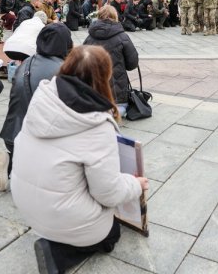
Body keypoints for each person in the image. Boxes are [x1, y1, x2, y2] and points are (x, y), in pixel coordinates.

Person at [10, 45, 148, 273]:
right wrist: (136, 185)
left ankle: (58, 236)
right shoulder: (96, 123)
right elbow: (108, 193)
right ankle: (58, 253)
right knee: (110, 235)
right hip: (59, 215)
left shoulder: (43, 96)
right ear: (104, 78)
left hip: (25, 204)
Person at [0, 23, 73, 191]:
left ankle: (12, 161)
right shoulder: (63, 69)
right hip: (36, 139)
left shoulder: (26, 62)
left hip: (11, 134)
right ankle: (19, 166)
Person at [83, 6, 138, 117]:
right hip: (117, 99)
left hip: (94, 97)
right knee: (119, 110)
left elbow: (82, 63)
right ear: (115, 17)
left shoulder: (89, 37)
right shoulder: (123, 37)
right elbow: (132, 64)